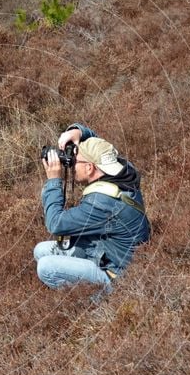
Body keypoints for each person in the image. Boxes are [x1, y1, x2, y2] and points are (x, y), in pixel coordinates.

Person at [35, 123, 150, 293]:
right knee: (41, 250)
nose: (72, 164)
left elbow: (55, 224)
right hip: (110, 249)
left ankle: (91, 300)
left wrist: (53, 180)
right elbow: (100, 147)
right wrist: (78, 132)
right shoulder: (124, 170)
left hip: (116, 273)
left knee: (45, 267)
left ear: (90, 167)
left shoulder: (102, 204)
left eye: (76, 160)